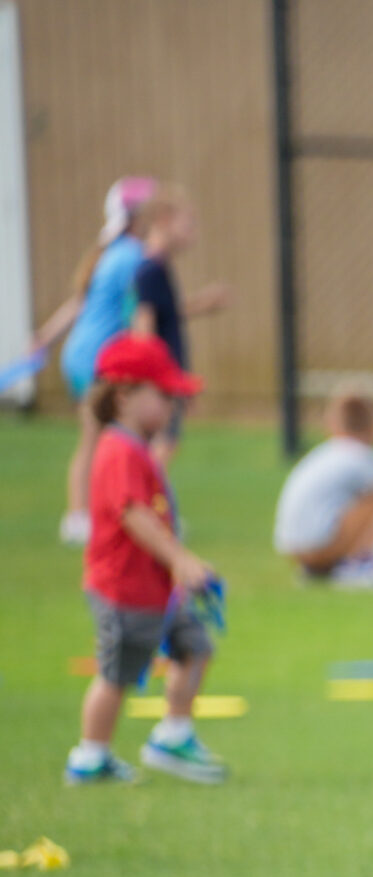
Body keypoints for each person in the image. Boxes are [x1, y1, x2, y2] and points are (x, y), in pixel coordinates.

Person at [65, 333, 225, 788]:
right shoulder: (117, 450)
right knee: (117, 675)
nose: (173, 406)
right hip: (125, 591)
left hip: (158, 590)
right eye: (164, 395)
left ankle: (173, 736)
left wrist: (177, 568)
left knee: (196, 647)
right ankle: (90, 757)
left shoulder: (137, 449)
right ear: (124, 395)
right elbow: (133, 515)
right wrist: (181, 559)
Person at [34, 177, 155, 547]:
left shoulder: (109, 253)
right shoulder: (134, 255)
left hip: (82, 355)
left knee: (102, 439)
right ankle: (78, 518)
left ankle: (93, 515)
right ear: (136, 218)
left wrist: (42, 340)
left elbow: (78, 305)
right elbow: (141, 312)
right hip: (96, 361)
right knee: (96, 440)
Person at [272, 388, 373, 584]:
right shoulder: (361, 455)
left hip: (292, 548)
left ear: (332, 425)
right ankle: (357, 564)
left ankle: (317, 569)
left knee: (363, 497)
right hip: (320, 544)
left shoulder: (323, 454)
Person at [127, 185, 228, 458]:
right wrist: (156, 381)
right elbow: (144, 329)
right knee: (160, 448)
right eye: (188, 225)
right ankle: (147, 501)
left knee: (165, 445)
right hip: (159, 383)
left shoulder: (158, 268)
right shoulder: (150, 270)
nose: (193, 234)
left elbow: (167, 315)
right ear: (163, 220)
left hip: (166, 380)